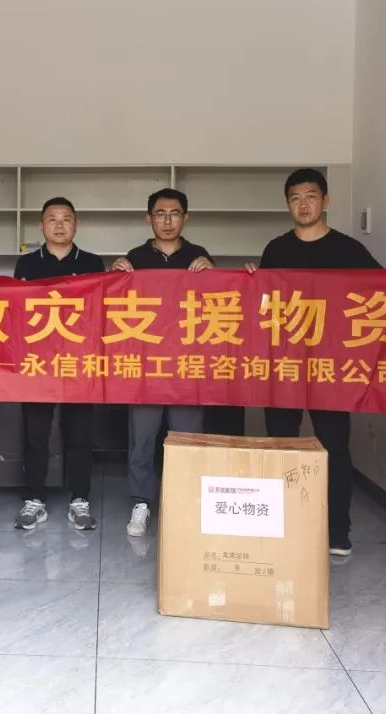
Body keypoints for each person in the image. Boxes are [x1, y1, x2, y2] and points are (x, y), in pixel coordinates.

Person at [247, 168, 380, 558]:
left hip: (330, 367)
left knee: (334, 446)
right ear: (287, 205)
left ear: (325, 201)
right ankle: (284, 526)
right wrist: (252, 281)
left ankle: (338, 531)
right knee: (282, 444)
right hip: (284, 366)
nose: (303, 204)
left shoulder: (349, 250)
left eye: (310, 196)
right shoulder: (276, 249)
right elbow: (263, 304)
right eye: (295, 198)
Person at [110, 188, 217, 538]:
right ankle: (141, 502)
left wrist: (215, 275)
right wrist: (115, 274)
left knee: (188, 440)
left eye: (174, 214)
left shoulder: (199, 256)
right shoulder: (135, 257)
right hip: (146, 368)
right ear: (148, 218)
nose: (167, 221)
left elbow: (221, 306)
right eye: (160, 214)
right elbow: (115, 306)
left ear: (186, 218)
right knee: (141, 439)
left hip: (187, 367)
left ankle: (186, 503)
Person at [13, 197, 105, 532]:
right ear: (41, 226)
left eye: (66, 218)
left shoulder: (93, 263)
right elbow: (17, 312)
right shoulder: (26, 264)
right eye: (52, 219)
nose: (59, 225)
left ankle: (79, 499)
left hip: (79, 363)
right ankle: (34, 500)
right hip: (38, 363)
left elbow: (102, 311)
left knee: (79, 433)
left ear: (75, 225)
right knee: (36, 434)